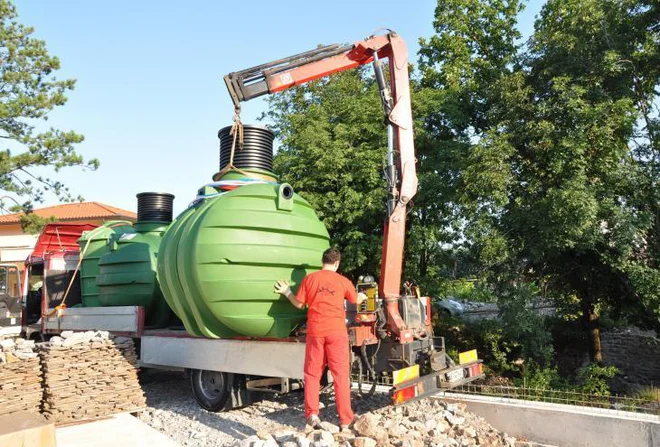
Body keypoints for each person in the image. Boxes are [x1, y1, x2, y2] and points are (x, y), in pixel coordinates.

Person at [274, 247, 365, 430]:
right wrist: (361, 296)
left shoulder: (310, 279)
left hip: (316, 332)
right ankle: (346, 420)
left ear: (322, 261)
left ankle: (312, 415)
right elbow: (355, 300)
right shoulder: (342, 281)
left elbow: (299, 304)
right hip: (336, 333)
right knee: (340, 376)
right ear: (337, 263)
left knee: (312, 374)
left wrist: (286, 292)